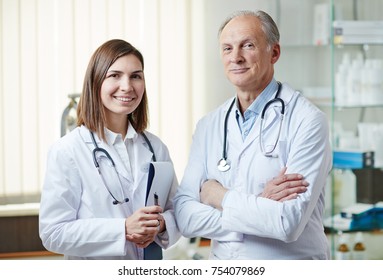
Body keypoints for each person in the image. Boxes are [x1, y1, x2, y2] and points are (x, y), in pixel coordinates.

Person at [173, 10, 332, 259]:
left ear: (274, 52)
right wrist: (258, 205)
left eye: (247, 45)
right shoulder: (209, 125)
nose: (236, 57)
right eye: (227, 48)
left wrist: (218, 196)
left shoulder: (307, 121)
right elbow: (184, 216)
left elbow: (287, 223)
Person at [39, 39, 180, 260]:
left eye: (136, 76)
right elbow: (53, 233)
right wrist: (123, 228)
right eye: (114, 75)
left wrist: (161, 225)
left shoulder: (156, 148)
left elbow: (175, 212)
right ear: (96, 82)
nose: (127, 86)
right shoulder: (67, 151)